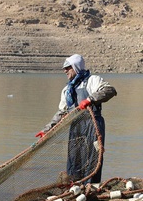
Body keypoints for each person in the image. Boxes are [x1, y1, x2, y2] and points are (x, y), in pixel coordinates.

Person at [35, 54, 117, 184]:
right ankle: (75, 188)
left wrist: (90, 99)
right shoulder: (67, 90)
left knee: (92, 159)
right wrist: (47, 130)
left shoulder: (92, 80)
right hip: (76, 127)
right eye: (64, 68)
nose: (65, 71)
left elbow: (110, 90)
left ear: (76, 67)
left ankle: (90, 187)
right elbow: (62, 112)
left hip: (93, 125)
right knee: (74, 160)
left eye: (68, 67)